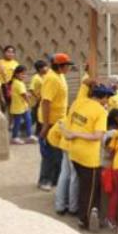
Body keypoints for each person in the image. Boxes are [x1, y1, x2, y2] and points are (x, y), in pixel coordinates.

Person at [61, 84, 114, 231]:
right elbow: (98, 136)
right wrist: (77, 134)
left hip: (74, 152)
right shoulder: (100, 112)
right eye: (107, 98)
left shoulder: (79, 102)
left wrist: (74, 134)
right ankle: (84, 220)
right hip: (89, 157)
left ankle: (90, 214)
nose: (107, 101)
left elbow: (70, 122)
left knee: (86, 185)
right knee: (89, 189)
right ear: (102, 97)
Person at [37, 53, 72, 191]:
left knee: (58, 153)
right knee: (49, 153)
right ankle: (44, 179)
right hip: (50, 122)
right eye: (67, 65)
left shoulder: (60, 76)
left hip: (59, 121)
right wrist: (45, 125)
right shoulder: (52, 79)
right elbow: (46, 102)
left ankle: (54, 179)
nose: (68, 68)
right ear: (60, 66)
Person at [9, 65, 35, 145]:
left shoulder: (19, 82)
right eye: (22, 74)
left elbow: (24, 94)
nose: (24, 75)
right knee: (17, 122)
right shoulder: (18, 83)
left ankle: (29, 135)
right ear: (16, 74)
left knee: (28, 120)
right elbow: (24, 95)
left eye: (25, 74)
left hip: (22, 107)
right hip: (18, 107)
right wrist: (29, 101)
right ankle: (14, 137)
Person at [0, 45, 19, 113]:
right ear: (4, 53)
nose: (10, 54)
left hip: (12, 87)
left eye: (12, 52)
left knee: (12, 107)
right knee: (2, 105)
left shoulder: (16, 64)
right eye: (8, 52)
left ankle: (11, 122)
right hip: (1, 88)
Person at [29, 59, 48, 130]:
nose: (47, 68)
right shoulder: (35, 78)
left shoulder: (44, 76)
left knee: (38, 118)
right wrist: (37, 97)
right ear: (40, 69)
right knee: (34, 118)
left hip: (42, 101)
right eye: (45, 67)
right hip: (36, 102)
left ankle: (37, 132)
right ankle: (23, 130)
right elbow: (31, 89)